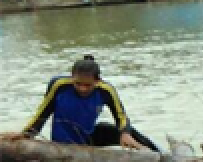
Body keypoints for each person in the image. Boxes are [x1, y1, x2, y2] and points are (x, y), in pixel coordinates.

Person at [3, 56, 159, 151]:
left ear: (97, 81)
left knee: (116, 130)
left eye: (87, 85)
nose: (82, 89)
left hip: (88, 136)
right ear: (71, 78)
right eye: (78, 84)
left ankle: (160, 156)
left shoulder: (106, 90)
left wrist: (125, 133)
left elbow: (121, 116)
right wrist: (26, 134)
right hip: (62, 141)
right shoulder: (59, 86)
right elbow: (43, 112)